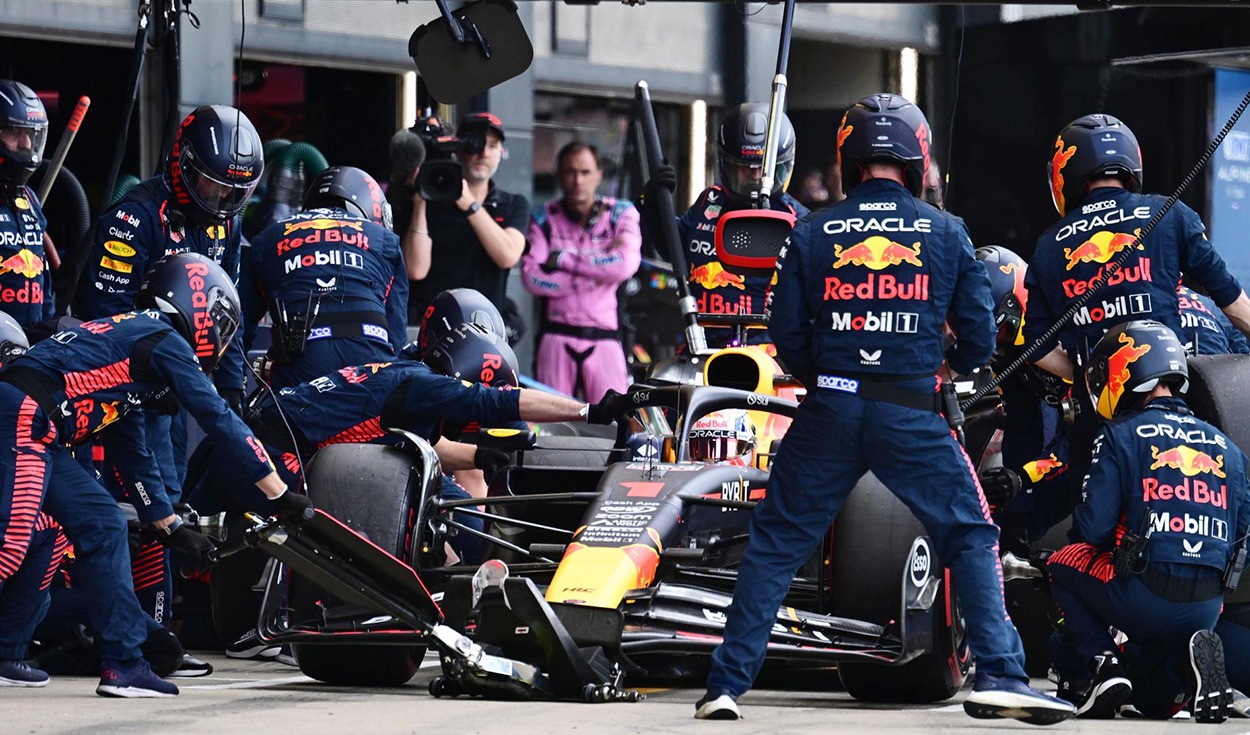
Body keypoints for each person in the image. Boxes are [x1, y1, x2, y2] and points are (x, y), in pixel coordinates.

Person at [696, 93, 1074, 724]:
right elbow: (981, 335)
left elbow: (784, 334)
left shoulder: (811, 230)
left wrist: (829, 377)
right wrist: (944, 369)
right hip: (912, 411)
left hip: (829, 410)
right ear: (917, 158)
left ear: (849, 158)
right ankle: (1001, 676)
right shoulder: (946, 231)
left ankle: (725, 688)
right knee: (969, 534)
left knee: (776, 543)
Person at [0, 253, 304, 697]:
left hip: (36, 426)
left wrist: (170, 527)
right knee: (10, 545)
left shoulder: (134, 344)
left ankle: (120, 666)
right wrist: (277, 494)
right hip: (23, 416)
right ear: (200, 308)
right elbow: (219, 417)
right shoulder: (162, 338)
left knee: (103, 524)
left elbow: (134, 455)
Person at [1021, 113, 1250, 536]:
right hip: (1173, 399)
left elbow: (1034, 345)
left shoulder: (1050, 245)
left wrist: (1091, 374)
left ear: (1066, 173)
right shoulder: (1168, 213)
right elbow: (1234, 305)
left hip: (1101, 412)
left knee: (1092, 533)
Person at [1047, 320, 1247, 722]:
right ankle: (1186, 666)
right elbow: (1241, 532)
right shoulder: (1227, 446)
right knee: (1153, 702)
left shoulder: (1119, 434)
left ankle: (1102, 662)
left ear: (1127, 370)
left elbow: (1094, 530)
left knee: (1059, 562)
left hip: (1142, 591)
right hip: (1209, 604)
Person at [642, 102, 808, 347]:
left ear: (783, 166)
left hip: (764, 350)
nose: (755, 177)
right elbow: (674, 250)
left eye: (763, 169)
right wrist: (654, 204)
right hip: (699, 342)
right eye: (744, 168)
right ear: (725, 165)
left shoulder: (798, 221)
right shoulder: (709, 201)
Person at [240, 165, 408, 390]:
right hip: (371, 372)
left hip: (299, 370)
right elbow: (396, 335)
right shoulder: (386, 240)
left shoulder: (267, 238)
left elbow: (239, 326)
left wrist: (232, 387)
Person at [523, 141, 641, 401]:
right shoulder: (543, 217)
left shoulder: (620, 213)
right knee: (550, 421)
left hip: (605, 338)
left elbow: (626, 264)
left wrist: (563, 259)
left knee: (613, 419)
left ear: (599, 174)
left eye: (585, 172)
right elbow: (531, 277)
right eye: (570, 172)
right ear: (559, 175)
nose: (578, 181)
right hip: (556, 335)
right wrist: (597, 276)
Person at [404, 112, 529, 322]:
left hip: (484, 326)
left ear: (501, 152)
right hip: (431, 323)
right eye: (475, 144)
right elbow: (416, 270)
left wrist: (468, 203)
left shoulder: (513, 204)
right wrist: (419, 200)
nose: (483, 153)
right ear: (458, 149)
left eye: (492, 146)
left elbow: (507, 256)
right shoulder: (431, 197)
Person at [0, 80, 55, 330]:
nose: (25, 144)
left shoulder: (29, 198)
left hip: (30, 340)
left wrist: (48, 329)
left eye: (30, 134)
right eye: (15, 132)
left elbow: (44, 275)